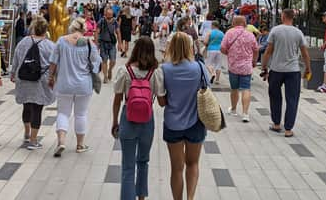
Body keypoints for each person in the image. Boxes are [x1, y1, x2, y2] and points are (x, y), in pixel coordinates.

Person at [112, 37, 165, 200]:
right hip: (147, 122)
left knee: (128, 167)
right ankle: (141, 197)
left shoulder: (125, 70)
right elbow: (162, 102)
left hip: (128, 118)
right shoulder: (155, 72)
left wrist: (115, 122)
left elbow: (117, 99)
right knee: (143, 162)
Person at [160, 32, 210, 200]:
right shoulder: (199, 67)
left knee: (176, 168)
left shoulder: (164, 69)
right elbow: (207, 85)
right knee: (193, 163)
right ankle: (190, 198)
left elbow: (161, 100)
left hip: (173, 122)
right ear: (189, 47)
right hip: (196, 121)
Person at [48, 17, 101, 157]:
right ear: (84, 29)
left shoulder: (61, 41)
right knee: (81, 114)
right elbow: (96, 64)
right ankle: (80, 145)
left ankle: (61, 141)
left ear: (71, 27)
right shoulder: (89, 43)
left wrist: (50, 77)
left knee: (63, 113)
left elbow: (53, 62)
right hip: (84, 85)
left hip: (64, 84)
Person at [261, 8, 310, 138]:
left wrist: (264, 67)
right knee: (292, 99)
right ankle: (288, 129)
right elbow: (305, 53)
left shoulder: (275, 31)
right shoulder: (298, 33)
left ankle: (276, 124)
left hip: (276, 69)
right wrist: (308, 68)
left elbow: (268, 51)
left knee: (275, 97)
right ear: (292, 17)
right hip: (293, 71)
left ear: (283, 16)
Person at [10, 16, 56, 150]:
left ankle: (26, 132)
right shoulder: (50, 45)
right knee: (37, 109)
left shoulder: (24, 42)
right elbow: (54, 64)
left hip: (23, 78)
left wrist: (13, 73)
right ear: (45, 30)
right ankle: (33, 140)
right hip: (40, 81)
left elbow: (16, 58)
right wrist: (53, 78)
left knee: (27, 106)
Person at [220, 16, 259, 122]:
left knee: (234, 88)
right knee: (246, 89)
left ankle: (233, 109)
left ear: (233, 23)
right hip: (246, 66)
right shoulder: (250, 34)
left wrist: (229, 54)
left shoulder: (229, 33)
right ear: (244, 23)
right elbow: (256, 49)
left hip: (233, 66)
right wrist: (254, 61)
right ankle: (245, 113)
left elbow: (222, 48)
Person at [96, 8, 118, 82]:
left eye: (111, 15)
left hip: (112, 43)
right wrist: (96, 43)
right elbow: (97, 32)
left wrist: (120, 43)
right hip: (103, 43)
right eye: (108, 15)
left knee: (113, 60)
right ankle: (105, 76)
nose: (109, 16)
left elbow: (118, 32)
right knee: (104, 60)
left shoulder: (115, 21)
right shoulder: (101, 21)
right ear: (105, 14)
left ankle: (110, 70)